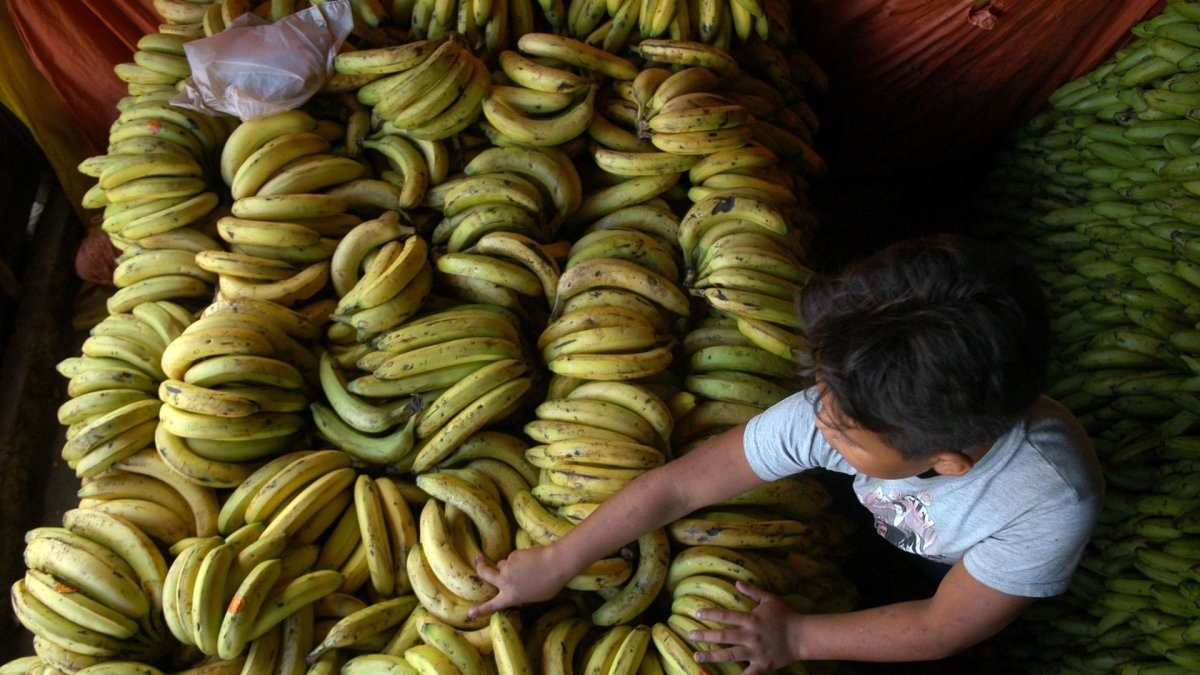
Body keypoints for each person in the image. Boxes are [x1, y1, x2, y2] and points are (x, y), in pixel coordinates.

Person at [470, 234, 1105, 672]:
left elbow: (942, 625)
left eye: (844, 432)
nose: (818, 417)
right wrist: (559, 559)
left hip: (962, 568)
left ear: (945, 462)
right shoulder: (843, 401)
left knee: (928, 600)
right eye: (821, 393)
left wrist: (797, 635)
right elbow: (681, 488)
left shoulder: (1046, 504)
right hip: (906, 506)